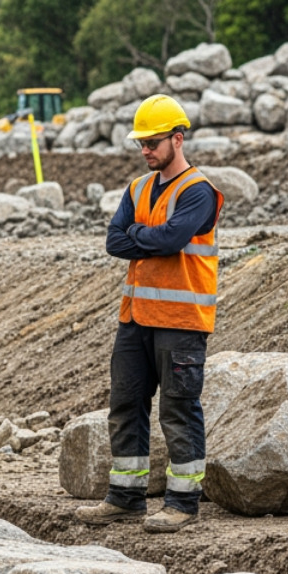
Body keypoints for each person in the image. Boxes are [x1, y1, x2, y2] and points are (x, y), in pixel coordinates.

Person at [76, 94, 224, 533]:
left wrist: (142, 235)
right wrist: (150, 235)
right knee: (125, 405)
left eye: (153, 142)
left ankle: (183, 502)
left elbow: (171, 240)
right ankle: (125, 497)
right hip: (136, 318)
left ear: (178, 139)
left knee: (177, 409)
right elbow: (113, 242)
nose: (145, 150)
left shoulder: (198, 191)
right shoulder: (138, 189)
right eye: (141, 142)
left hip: (181, 323)